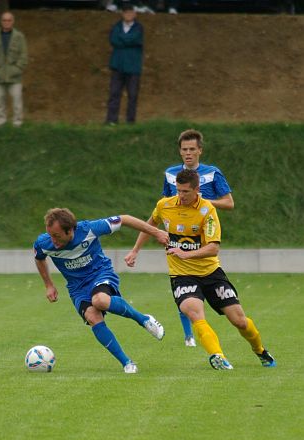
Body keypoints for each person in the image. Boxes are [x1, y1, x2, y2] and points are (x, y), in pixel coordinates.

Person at [124, 169, 276, 370]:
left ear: (197, 190)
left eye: (186, 191)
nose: (181, 195)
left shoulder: (207, 210)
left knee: (239, 321)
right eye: (178, 190)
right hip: (182, 275)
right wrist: (135, 250)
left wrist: (186, 254)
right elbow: (150, 225)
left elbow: (213, 248)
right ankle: (218, 356)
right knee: (195, 313)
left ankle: (260, 351)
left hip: (211, 273)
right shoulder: (164, 205)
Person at [33, 208, 168, 374]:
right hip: (77, 287)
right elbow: (39, 259)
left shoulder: (89, 229)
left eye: (57, 236)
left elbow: (124, 219)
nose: (53, 240)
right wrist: (49, 284)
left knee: (100, 301)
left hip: (100, 273)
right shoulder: (43, 243)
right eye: (50, 235)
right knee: (92, 316)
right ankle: (127, 362)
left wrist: (156, 232)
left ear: (70, 230)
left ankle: (143, 319)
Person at [163, 129, 234, 347]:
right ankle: (189, 335)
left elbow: (229, 203)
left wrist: (202, 201)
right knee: (181, 279)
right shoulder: (170, 174)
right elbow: (165, 203)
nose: (188, 153)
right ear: (179, 151)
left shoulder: (212, 173)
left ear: (200, 150)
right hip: (179, 233)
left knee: (203, 278)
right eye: (184, 149)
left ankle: (203, 323)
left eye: (192, 149)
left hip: (204, 233)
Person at [0, 11, 28, 127]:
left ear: (13, 21)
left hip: (15, 76)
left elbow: (23, 55)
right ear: (1, 22)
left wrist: (17, 69)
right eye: (4, 20)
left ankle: (17, 123)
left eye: (9, 20)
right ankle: (0, 122)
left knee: (17, 100)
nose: (7, 22)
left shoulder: (19, 37)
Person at [105, 3, 144, 125]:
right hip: (118, 65)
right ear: (122, 14)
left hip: (133, 67)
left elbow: (134, 39)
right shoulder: (116, 27)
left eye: (130, 12)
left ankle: (130, 121)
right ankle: (111, 120)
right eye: (126, 12)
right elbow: (113, 40)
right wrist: (127, 40)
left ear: (135, 14)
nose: (128, 15)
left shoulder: (139, 28)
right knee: (114, 93)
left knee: (132, 95)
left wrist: (122, 38)